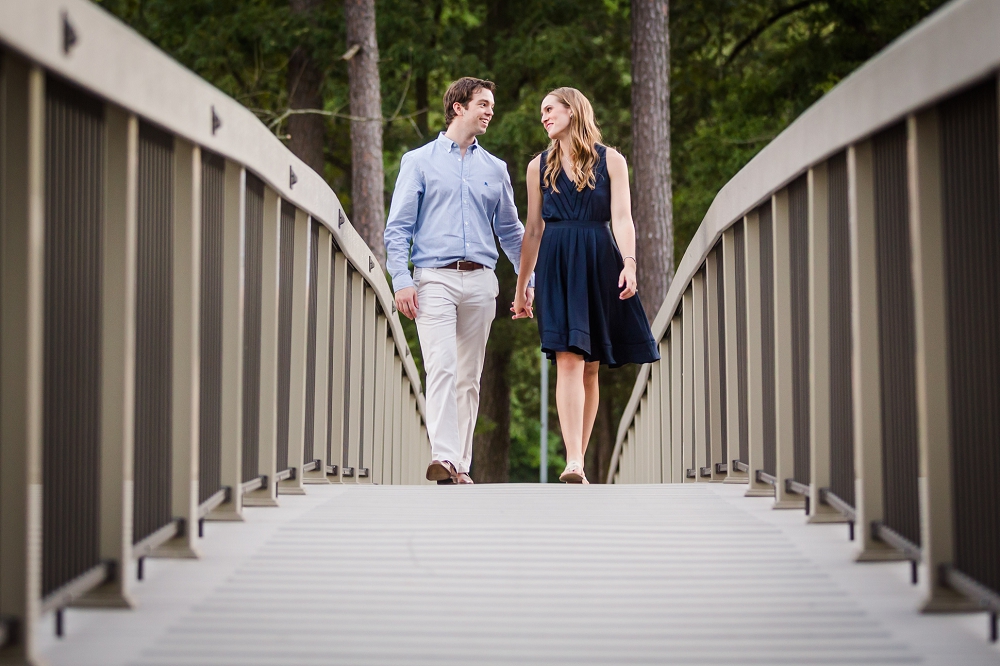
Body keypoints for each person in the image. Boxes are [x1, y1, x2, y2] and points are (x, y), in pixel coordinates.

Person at [385, 77, 533, 485]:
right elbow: (398, 228)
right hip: (433, 278)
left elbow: (512, 232)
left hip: (482, 282)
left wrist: (527, 282)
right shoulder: (419, 161)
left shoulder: (495, 168)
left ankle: (460, 465)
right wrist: (401, 279)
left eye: (491, 104)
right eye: (482, 104)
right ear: (458, 107)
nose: (489, 111)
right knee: (442, 367)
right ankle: (444, 456)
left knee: (469, 376)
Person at [511, 87, 659, 484]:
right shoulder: (536, 166)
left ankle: (579, 456)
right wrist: (522, 286)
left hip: (599, 257)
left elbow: (623, 219)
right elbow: (533, 231)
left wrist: (630, 263)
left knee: (591, 367)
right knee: (568, 358)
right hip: (556, 261)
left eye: (549, 109)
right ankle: (573, 460)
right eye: (541, 112)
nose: (543, 117)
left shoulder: (612, 160)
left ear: (572, 110)